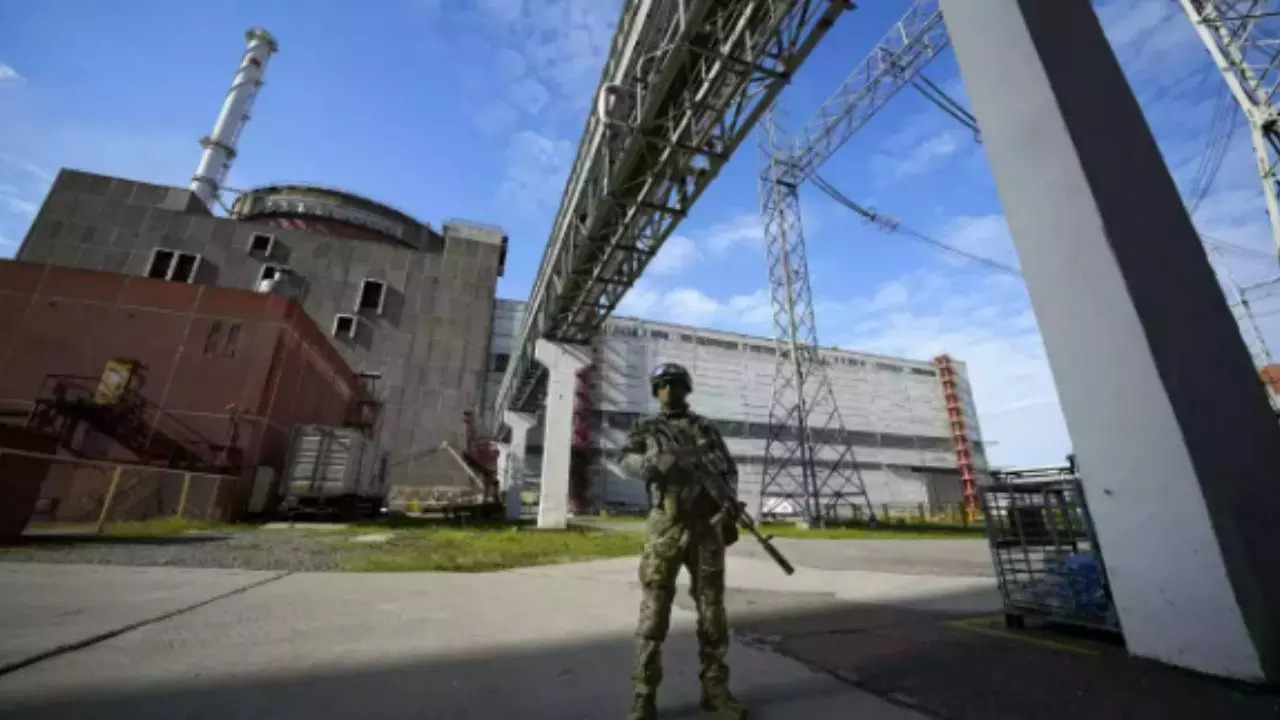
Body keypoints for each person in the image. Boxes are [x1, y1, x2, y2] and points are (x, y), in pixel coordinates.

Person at [620, 363, 747, 720]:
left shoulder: (705, 428)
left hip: (706, 528)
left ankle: (716, 692)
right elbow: (623, 462)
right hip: (665, 528)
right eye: (661, 385)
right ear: (655, 390)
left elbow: (727, 471)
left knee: (712, 613)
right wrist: (654, 462)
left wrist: (729, 505)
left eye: (675, 384)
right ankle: (643, 696)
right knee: (654, 614)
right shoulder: (647, 428)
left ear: (686, 388)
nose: (668, 390)